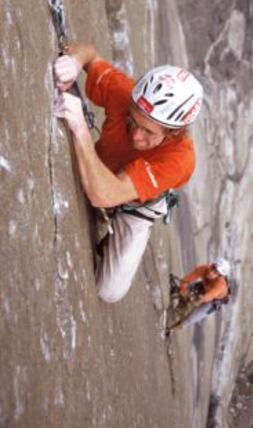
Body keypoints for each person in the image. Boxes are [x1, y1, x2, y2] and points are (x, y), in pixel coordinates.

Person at [53, 42, 203, 303]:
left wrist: (80, 129)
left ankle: (116, 232)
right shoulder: (125, 93)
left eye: (149, 132)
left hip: (137, 206)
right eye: (132, 121)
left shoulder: (180, 159)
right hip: (106, 169)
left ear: (174, 132)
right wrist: (75, 62)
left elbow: (104, 195)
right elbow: (90, 53)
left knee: (109, 291)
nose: (136, 135)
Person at [167, 258, 231, 332]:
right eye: (213, 268)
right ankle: (181, 305)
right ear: (212, 265)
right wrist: (183, 289)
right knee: (186, 292)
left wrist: (197, 300)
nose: (211, 272)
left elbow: (210, 296)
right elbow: (188, 278)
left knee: (193, 318)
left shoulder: (220, 286)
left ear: (219, 276)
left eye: (216, 272)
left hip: (213, 301)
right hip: (205, 287)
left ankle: (174, 328)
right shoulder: (204, 268)